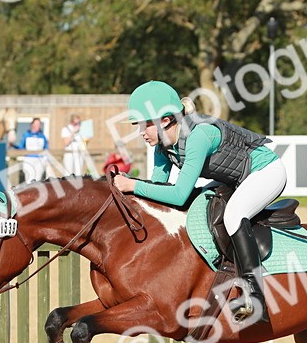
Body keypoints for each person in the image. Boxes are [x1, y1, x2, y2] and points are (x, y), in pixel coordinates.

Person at [112, 80, 286, 324]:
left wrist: (133, 185)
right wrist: (129, 191)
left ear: (165, 121)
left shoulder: (198, 135)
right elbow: (158, 193)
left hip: (266, 171)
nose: (141, 131)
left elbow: (179, 194)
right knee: (200, 205)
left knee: (234, 214)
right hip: (234, 179)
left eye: (145, 124)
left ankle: (254, 296)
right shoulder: (163, 147)